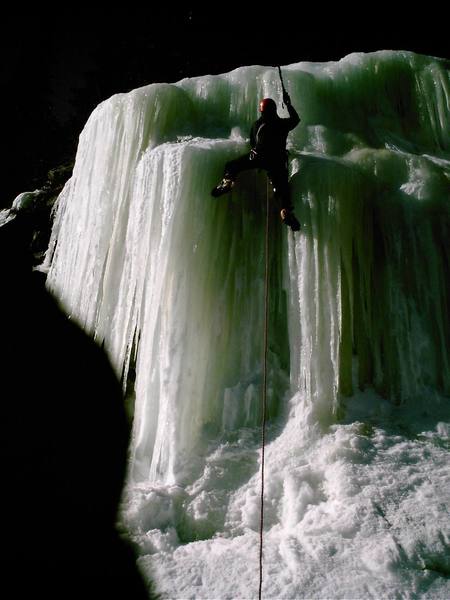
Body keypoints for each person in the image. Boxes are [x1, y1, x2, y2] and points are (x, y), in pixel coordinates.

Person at [212, 90, 301, 231]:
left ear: (261, 111)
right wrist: (288, 104)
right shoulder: (281, 124)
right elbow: (296, 120)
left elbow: (253, 143)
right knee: (281, 185)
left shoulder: (256, 125)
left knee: (233, 165)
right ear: (274, 110)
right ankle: (285, 210)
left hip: (258, 157)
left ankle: (228, 181)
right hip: (276, 160)